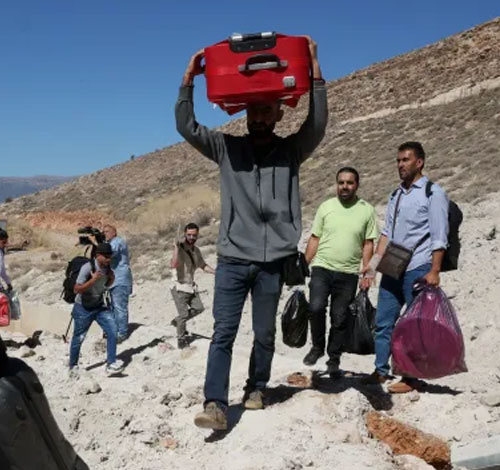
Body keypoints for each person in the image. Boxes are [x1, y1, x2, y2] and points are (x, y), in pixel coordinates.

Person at [176, 37, 327, 430]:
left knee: (263, 333)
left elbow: (318, 123)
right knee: (222, 333)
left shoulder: (292, 151)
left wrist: (313, 67)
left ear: (278, 113)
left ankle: (256, 387)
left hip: (273, 262)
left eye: (265, 110)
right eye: (253, 111)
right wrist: (189, 80)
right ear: (245, 114)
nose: (258, 117)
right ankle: (214, 404)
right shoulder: (227, 149)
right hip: (232, 260)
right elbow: (187, 126)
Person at [363, 141, 449, 394]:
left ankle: (410, 377)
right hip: (392, 265)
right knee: (383, 321)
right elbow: (387, 233)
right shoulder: (396, 194)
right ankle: (380, 371)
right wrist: (373, 266)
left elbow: (439, 236)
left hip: (418, 266)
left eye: (406, 160)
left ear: (419, 162)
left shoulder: (433, 193)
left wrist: (434, 271)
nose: (400, 165)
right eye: (398, 160)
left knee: (413, 326)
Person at [303, 167, 378, 378]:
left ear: (357, 185)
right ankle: (317, 346)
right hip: (322, 267)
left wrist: (368, 272)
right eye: (341, 182)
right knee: (316, 307)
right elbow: (315, 238)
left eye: (349, 183)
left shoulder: (367, 210)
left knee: (340, 317)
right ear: (337, 184)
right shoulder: (326, 207)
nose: (345, 186)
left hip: (347, 274)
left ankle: (333, 357)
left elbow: (367, 243)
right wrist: (304, 263)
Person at [68, 242, 125, 377]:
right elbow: (77, 289)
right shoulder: (88, 268)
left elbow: (107, 284)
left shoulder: (107, 267)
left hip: (99, 306)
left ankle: (111, 363)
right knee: (79, 337)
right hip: (83, 308)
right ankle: (73, 366)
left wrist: (111, 278)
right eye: (106, 257)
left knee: (112, 330)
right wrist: (93, 280)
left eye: (110, 256)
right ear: (98, 255)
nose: (108, 259)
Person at [170, 222, 213, 349]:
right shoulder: (180, 248)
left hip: (190, 286)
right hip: (179, 286)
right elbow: (173, 264)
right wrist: (176, 248)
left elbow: (203, 265)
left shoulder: (196, 250)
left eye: (194, 235)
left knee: (199, 308)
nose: (191, 238)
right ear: (185, 234)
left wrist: (216, 272)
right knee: (184, 315)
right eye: (189, 235)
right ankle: (181, 339)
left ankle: (177, 321)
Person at [103, 224, 132, 342]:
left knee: (120, 307)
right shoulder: (111, 243)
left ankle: (122, 333)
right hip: (112, 280)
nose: (105, 234)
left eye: (107, 231)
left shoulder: (117, 242)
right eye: (103, 232)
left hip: (120, 279)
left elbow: (110, 253)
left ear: (114, 232)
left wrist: (101, 248)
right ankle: (114, 330)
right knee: (111, 306)